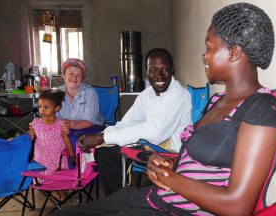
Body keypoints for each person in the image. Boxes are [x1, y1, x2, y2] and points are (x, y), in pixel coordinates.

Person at [25, 3, 276, 216]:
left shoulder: (262, 108)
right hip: (162, 201)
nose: (203, 55)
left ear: (234, 52)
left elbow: (238, 206)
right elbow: (202, 164)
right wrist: (163, 163)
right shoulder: (218, 101)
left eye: (209, 47)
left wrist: (171, 179)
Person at [78, 48, 192, 196]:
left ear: (172, 70)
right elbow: (127, 123)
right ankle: (118, 202)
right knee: (105, 149)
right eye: (153, 69)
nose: (159, 75)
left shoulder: (177, 94)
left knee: (109, 154)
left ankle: (118, 203)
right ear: (147, 72)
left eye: (164, 69)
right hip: (152, 143)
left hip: (171, 149)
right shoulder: (147, 94)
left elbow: (155, 132)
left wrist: (102, 138)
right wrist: (100, 137)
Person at [29, 89, 75, 200]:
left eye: (46, 107)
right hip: (42, 158)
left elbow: (67, 140)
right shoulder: (36, 123)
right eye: (40, 106)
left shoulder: (61, 124)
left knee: (60, 178)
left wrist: (72, 155)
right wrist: (17, 143)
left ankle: (62, 190)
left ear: (56, 108)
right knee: (45, 180)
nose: (42, 110)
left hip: (57, 157)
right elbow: (29, 139)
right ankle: (53, 191)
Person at [56, 58, 104, 163]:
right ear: (64, 75)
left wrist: (69, 124)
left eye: (78, 75)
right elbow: (51, 116)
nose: (74, 78)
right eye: (70, 73)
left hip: (91, 128)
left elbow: (89, 121)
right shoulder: (56, 93)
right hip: (65, 129)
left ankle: (84, 174)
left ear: (82, 78)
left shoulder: (90, 92)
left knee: (79, 141)